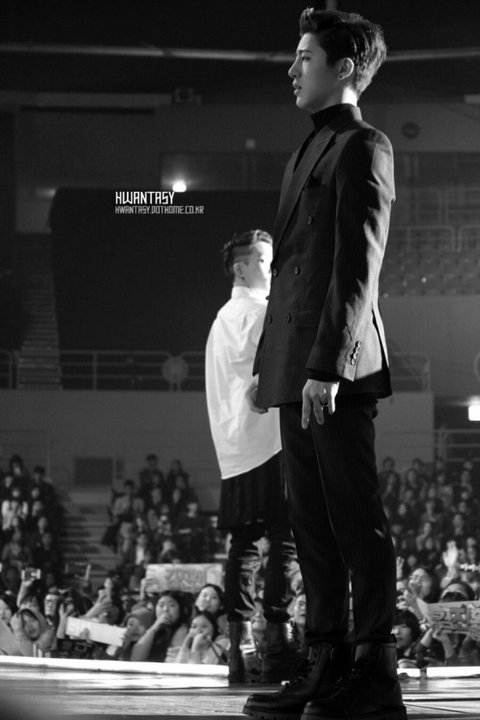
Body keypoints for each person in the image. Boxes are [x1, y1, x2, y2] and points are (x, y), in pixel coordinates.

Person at [244, 8, 406, 720]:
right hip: (295, 364)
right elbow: (291, 274)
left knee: (352, 519)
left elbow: (356, 266)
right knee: (311, 524)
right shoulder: (306, 150)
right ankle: (326, 660)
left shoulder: (365, 144)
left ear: (344, 68)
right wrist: (268, 363)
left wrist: (328, 367)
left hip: (334, 368)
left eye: (304, 56)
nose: (292, 68)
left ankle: (375, 668)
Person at [205, 229, 297, 684]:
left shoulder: (220, 320)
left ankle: (239, 647)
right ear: (240, 268)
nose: (271, 266)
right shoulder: (262, 313)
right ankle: (278, 641)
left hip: (235, 447)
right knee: (284, 539)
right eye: (263, 259)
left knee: (243, 546)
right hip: (272, 441)